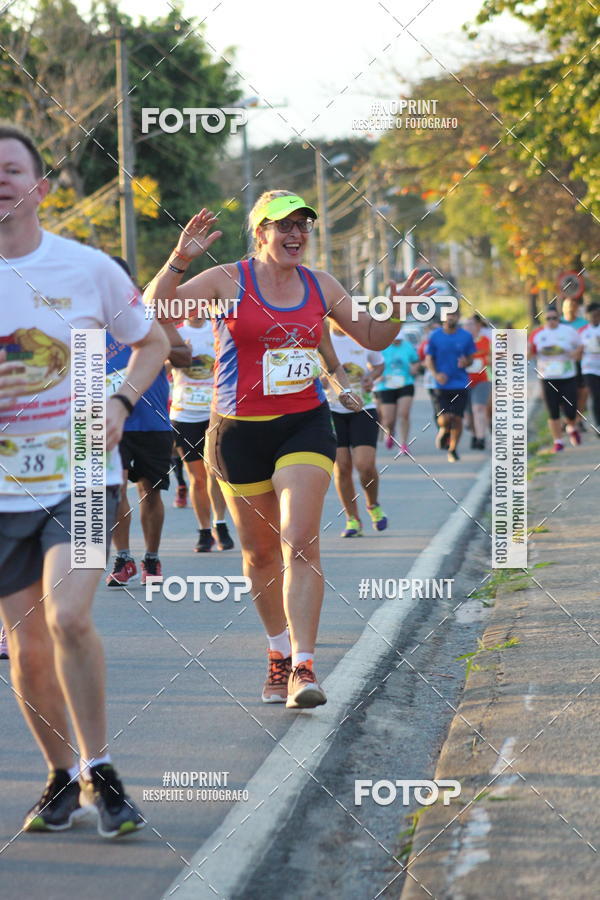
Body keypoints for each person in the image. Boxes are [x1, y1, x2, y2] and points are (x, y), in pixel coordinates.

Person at [144, 189, 434, 709]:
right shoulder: (227, 280)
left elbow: (371, 335)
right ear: (261, 233)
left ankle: (304, 666)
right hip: (236, 432)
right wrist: (179, 259)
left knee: (300, 540)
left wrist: (399, 308)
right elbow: (156, 308)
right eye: (283, 225)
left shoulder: (320, 285)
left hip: (304, 424)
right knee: (258, 554)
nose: (296, 233)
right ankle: (277, 653)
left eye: (303, 224)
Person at [0, 123, 169, 835]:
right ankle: (61, 776)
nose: (0, 180)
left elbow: (152, 340)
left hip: (83, 474)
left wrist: (122, 400)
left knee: (69, 617)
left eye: (11, 169)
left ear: (39, 188)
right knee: (25, 645)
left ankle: (101, 767)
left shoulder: (88, 268)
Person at [105, 257, 192, 586]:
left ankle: (152, 558)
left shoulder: (150, 315)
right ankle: (123, 557)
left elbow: (184, 358)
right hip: (110, 421)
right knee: (113, 489)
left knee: (150, 492)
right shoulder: (86, 324)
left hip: (151, 419)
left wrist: (158, 342)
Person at [169, 316, 234, 551]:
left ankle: (220, 523)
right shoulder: (175, 332)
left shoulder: (217, 329)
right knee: (197, 478)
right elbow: (160, 366)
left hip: (214, 411)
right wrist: (179, 355)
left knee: (215, 470)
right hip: (184, 413)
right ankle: (204, 531)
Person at [321, 320, 386, 537]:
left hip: (363, 407)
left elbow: (378, 364)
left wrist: (371, 377)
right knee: (342, 467)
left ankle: (373, 505)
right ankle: (352, 519)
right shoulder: (321, 339)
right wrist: (320, 380)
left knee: (365, 465)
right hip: (332, 410)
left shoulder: (361, 337)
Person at [425, 309, 476, 462]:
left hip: (460, 383)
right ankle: (444, 430)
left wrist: (466, 362)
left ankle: (453, 449)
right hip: (440, 385)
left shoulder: (466, 336)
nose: (451, 317)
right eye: (448, 315)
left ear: (458, 317)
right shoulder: (435, 336)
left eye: (454, 314)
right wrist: (436, 375)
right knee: (445, 418)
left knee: (458, 418)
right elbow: (429, 359)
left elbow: (471, 358)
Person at [529, 305, 581, 452]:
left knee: (571, 409)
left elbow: (580, 346)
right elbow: (529, 352)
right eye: (548, 318)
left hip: (567, 375)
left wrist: (574, 354)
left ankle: (571, 426)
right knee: (553, 410)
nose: (551, 321)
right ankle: (558, 441)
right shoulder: (537, 334)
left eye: (554, 318)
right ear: (544, 320)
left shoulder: (569, 331)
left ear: (559, 318)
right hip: (547, 377)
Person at [374, 330, 419, 454]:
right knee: (388, 420)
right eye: (394, 339)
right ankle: (390, 432)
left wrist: (414, 369)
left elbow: (416, 362)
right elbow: (372, 363)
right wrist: (377, 375)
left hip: (405, 383)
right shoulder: (382, 347)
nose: (397, 341)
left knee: (404, 414)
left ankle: (404, 444)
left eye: (399, 340)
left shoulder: (408, 347)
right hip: (386, 386)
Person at [561, 295, 588, 431]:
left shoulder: (583, 323)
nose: (570, 309)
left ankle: (578, 419)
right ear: (563, 308)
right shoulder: (557, 322)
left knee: (582, 391)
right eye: (568, 306)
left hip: (579, 362)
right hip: (561, 363)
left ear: (577, 308)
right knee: (562, 393)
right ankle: (567, 418)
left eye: (573, 306)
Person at [465, 314, 491, 449]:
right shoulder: (461, 341)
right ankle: (475, 435)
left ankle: (481, 438)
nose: (468, 327)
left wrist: (486, 360)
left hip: (482, 380)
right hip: (463, 381)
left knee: (479, 408)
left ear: (478, 326)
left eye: (471, 324)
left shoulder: (486, 340)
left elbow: (495, 357)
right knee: (468, 416)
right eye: (466, 324)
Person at [577, 302, 600, 437]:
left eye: (598, 315)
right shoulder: (582, 331)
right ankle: (598, 425)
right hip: (589, 367)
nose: (595, 318)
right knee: (595, 396)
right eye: (593, 316)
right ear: (588, 316)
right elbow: (576, 349)